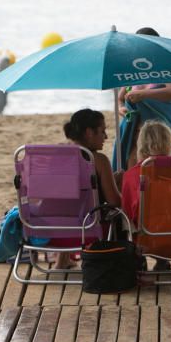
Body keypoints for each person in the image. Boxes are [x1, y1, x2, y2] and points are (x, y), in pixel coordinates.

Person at [113, 27, 171, 170]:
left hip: (159, 133)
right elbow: (120, 98)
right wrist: (122, 108)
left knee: (161, 166)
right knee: (133, 169)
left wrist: (143, 95)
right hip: (135, 132)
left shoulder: (165, 65)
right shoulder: (133, 68)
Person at [53, 109, 121, 269]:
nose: (106, 137)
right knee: (118, 215)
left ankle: (61, 261)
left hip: (50, 232)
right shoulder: (98, 161)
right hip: (87, 232)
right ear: (89, 132)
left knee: (70, 204)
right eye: (102, 131)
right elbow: (115, 202)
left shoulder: (54, 155)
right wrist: (117, 183)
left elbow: (60, 198)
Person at [119, 119, 171, 226]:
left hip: (147, 237)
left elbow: (128, 215)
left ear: (141, 144)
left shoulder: (131, 175)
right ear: (169, 143)